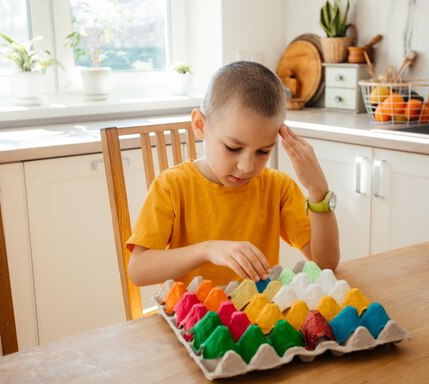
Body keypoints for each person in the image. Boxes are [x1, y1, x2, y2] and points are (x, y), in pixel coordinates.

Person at [126, 61, 339, 287]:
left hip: (255, 319)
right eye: (233, 148)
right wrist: (208, 249)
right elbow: (138, 271)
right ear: (200, 125)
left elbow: (325, 263)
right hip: (193, 320)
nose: (247, 167)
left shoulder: (278, 188)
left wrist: (318, 190)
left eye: (263, 151)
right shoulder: (171, 186)